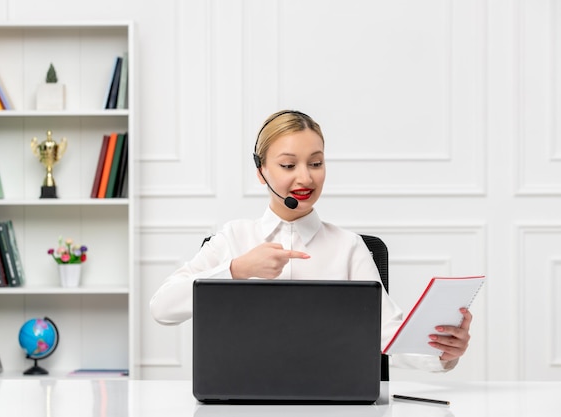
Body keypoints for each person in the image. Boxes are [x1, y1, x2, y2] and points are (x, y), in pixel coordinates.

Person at [150, 109, 472, 372]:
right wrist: (236, 269)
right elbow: (162, 307)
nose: (305, 178)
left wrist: (445, 352)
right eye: (288, 165)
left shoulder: (349, 247)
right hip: (242, 402)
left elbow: (387, 334)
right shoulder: (234, 238)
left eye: (316, 163)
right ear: (261, 171)